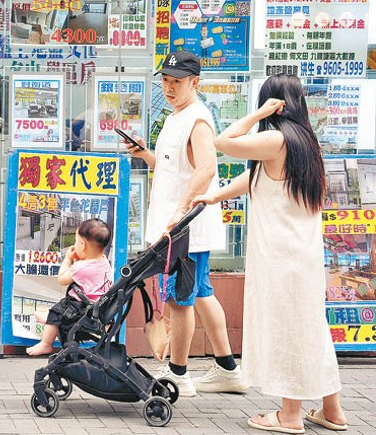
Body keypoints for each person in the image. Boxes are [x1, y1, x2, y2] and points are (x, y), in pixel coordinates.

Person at [192, 73, 347, 433]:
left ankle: (290, 415)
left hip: (281, 258)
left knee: (289, 329)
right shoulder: (306, 142)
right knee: (311, 329)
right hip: (303, 257)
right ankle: (332, 410)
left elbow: (222, 141)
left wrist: (256, 114)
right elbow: (260, 177)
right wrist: (215, 196)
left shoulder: (276, 138)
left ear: (273, 102)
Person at [125, 50, 245, 397]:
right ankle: (228, 370)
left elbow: (207, 169)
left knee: (180, 299)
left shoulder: (198, 120)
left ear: (195, 82)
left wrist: (179, 212)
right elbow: (175, 168)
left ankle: (178, 373)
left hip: (186, 228)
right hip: (179, 225)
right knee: (201, 293)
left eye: (176, 82)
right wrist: (146, 155)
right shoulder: (175, 116)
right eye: (165, 80)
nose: (169, 87)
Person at [26, 218, 113, 356]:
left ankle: (46, 343)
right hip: (98, 309)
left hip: (82, 310)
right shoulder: (104, 262)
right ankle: (50, 320)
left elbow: (62, 279)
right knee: (60, 310)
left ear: (83, 245)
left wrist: (67, 259)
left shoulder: (82, 267)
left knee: (58, 310)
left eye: (76, 242)